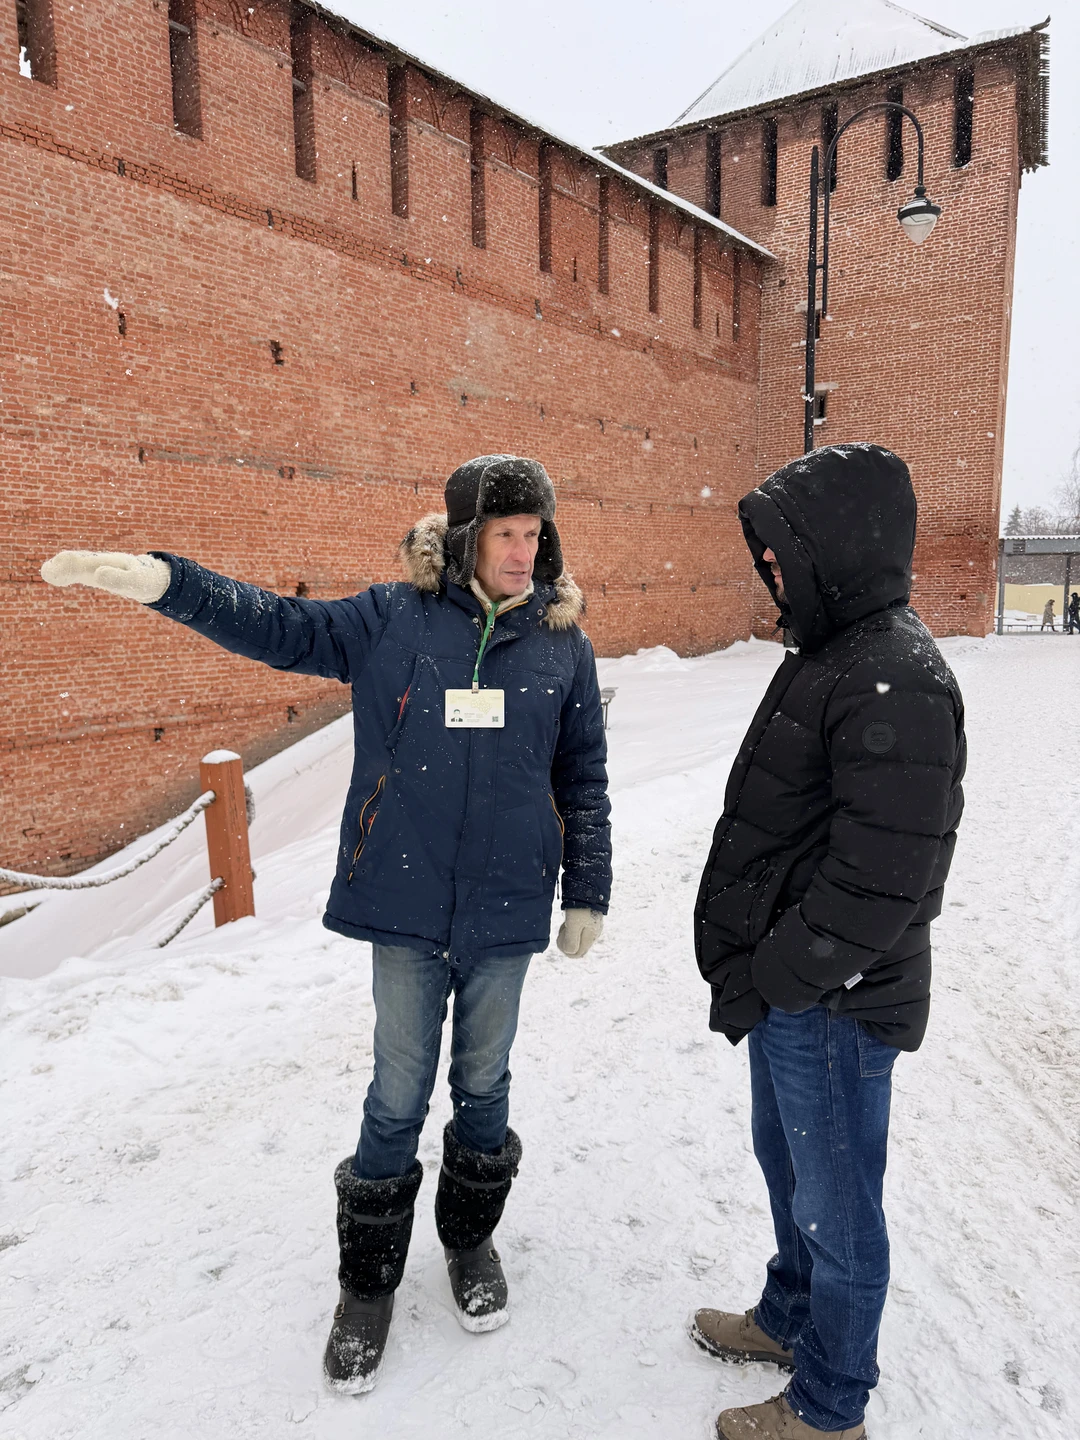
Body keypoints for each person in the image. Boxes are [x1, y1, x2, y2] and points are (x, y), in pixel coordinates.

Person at [40, 455, 612, 1393]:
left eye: (534, 533)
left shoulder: (562, 645)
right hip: (406, 902)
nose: (524, 550)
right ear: (465, 539)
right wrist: (166, 584)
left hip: (508, 906)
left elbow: (583, 774)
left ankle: (470, 1244)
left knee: (485, 1086)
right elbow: (282, 627)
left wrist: (588, 888)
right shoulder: (393, 619)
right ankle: (368, 1285)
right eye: (506, 533)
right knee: (396, 1095)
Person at [691, 444, 966, 1440]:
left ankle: (830, 1404)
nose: (768, 566)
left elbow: (883, 877)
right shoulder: (836, 650)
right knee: (791, 1170)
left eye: (782, 548)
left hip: (836, 1001)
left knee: (840, 1210)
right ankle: (790, 1315)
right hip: (796, 993)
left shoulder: (897, 674)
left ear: (837, 544)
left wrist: (783, 972)